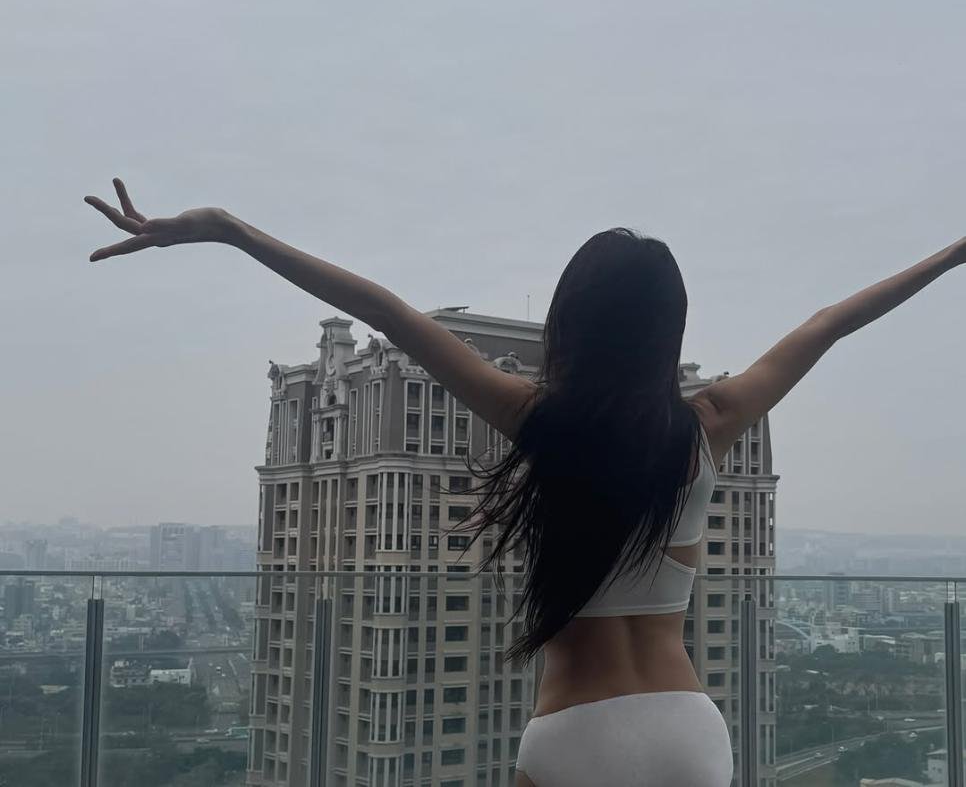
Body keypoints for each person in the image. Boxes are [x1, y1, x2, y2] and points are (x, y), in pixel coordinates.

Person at [85, 179, 964, 787]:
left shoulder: (537, 417)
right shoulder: (710, 423)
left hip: (575, 731)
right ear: (668, 331)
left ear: (570, 322)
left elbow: (383, 310)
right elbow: (829, 322)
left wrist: (231, 230)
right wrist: (955, 251)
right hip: (690, 730)